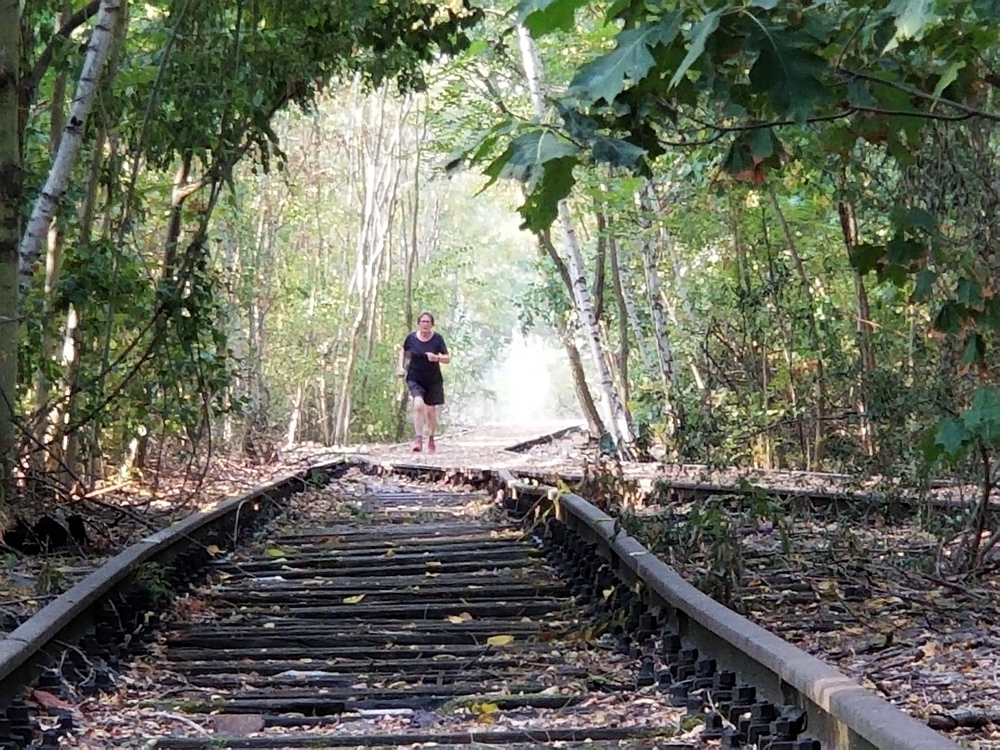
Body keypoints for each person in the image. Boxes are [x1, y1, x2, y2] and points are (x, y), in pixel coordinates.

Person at [397, 311, 450, 452]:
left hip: (433, 379)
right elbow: (404, 351)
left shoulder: (437, 339)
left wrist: (436, 358)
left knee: (430, 411)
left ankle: (431, 438)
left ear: (432, 324)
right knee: (418, 405)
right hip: (415, 377)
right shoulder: (411, 338)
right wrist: (400, 367)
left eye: (428, 322)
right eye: (423, 322)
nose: (425, 324)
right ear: (418, 323)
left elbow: (447, 358)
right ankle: (418, 439)